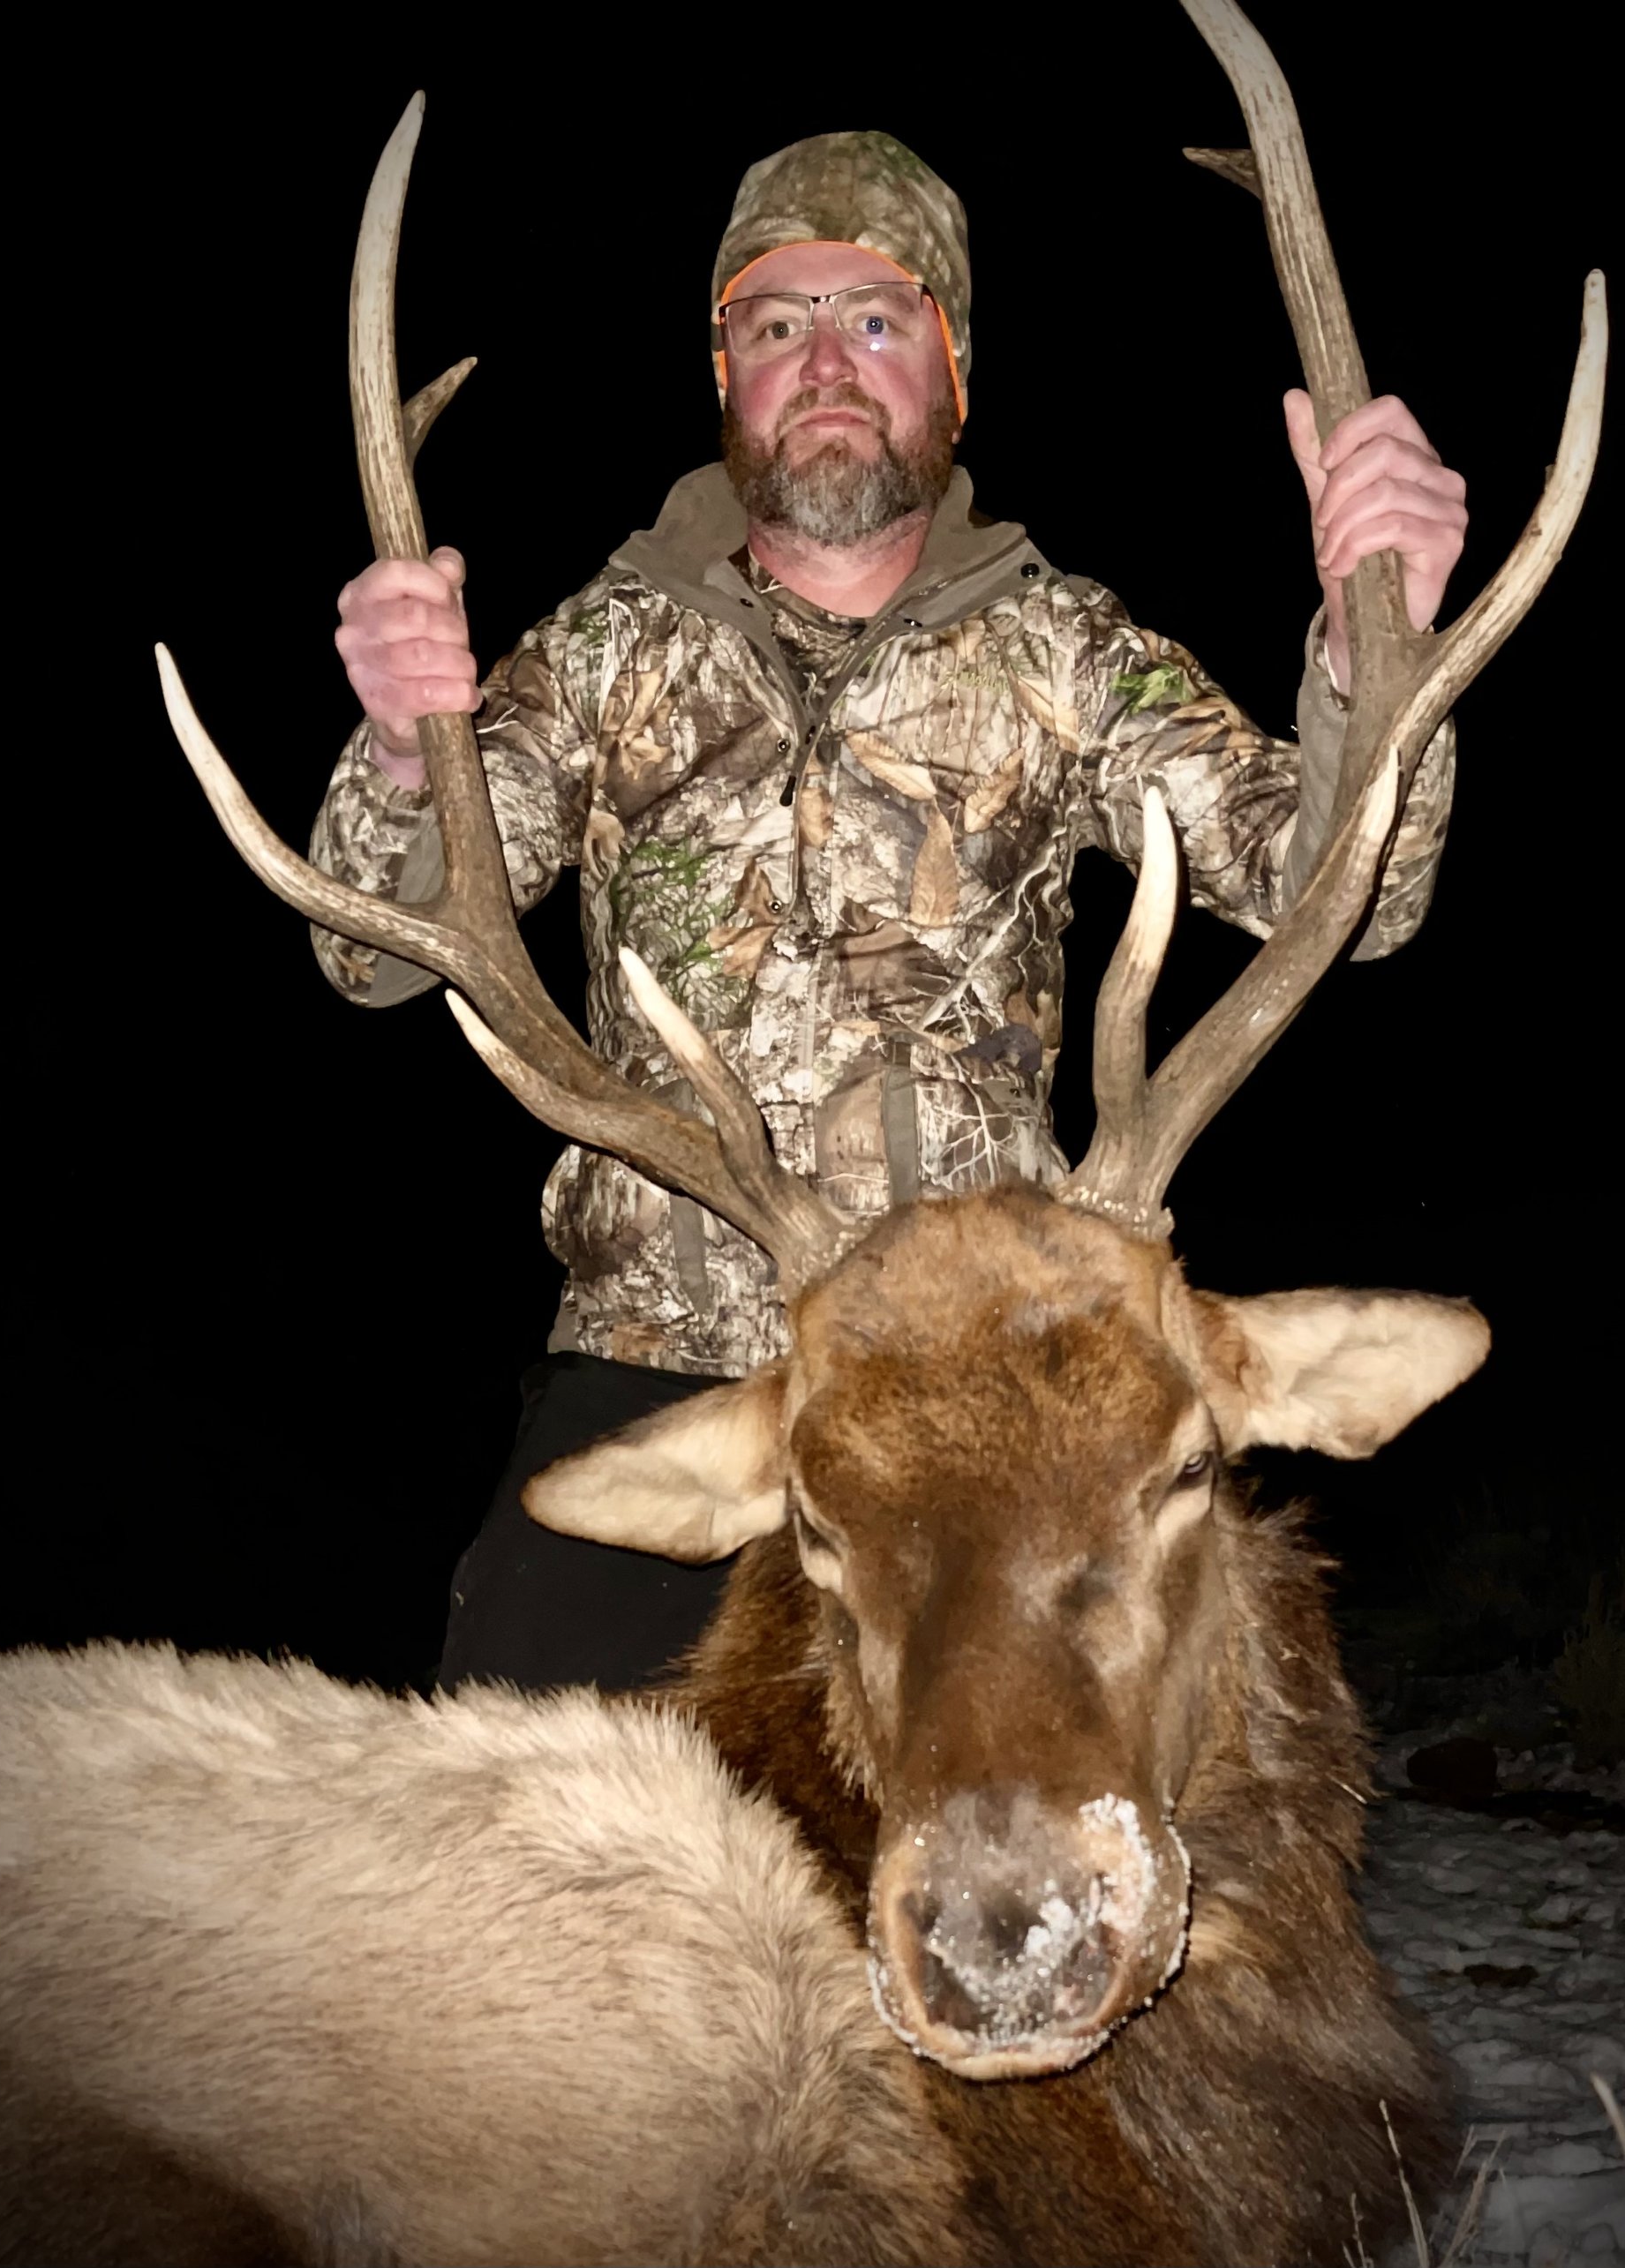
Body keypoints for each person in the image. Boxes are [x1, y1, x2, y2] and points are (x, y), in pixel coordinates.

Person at [312, 132, 1468, 1693]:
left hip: (981, 1376)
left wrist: (1367, 642)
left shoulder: (1061, 650)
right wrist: (398, 747)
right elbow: (366, 952)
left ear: (954, 370)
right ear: (726, 377)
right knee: (509, 1786)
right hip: (659, 1371)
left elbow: (1351, 888)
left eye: (878, 316)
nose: (825, 360)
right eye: (774, 324)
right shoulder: (596, 655)